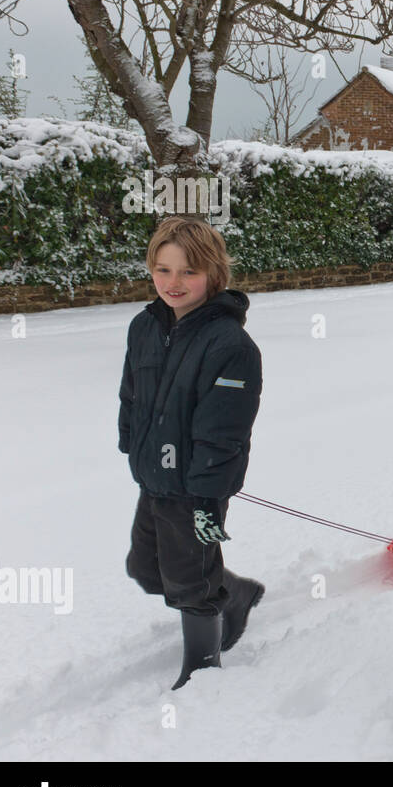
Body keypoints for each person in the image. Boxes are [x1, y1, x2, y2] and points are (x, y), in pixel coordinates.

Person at [119, 216, 265, 691]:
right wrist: (131, 445)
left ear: (213, 274)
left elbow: (224, 431)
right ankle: (234, 593)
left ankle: (201, 670)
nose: (173, 283)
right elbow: (131, 396)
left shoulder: (230, 345)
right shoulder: (144, 327)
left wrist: (207, 498)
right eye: (163, 270)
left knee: (189, 583)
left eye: (188, 272)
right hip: (154, 478)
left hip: (196, 487)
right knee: (145, 568)